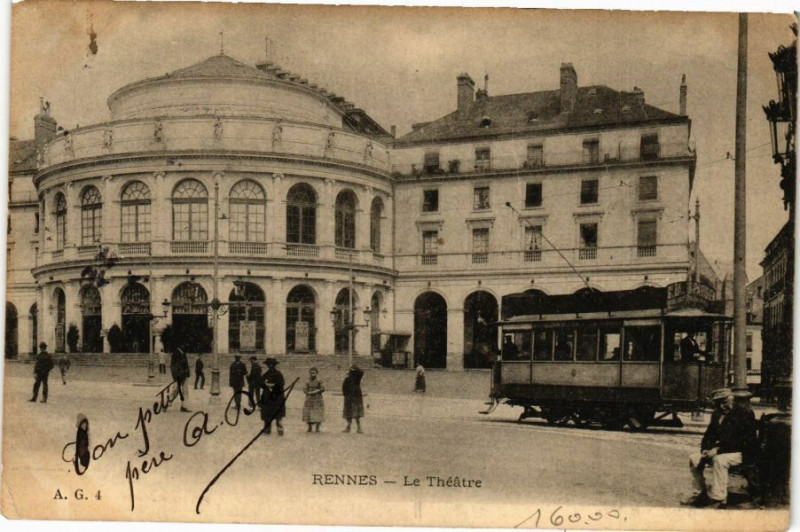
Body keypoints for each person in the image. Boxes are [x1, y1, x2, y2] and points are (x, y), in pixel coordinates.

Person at [681, 388, 758, 508]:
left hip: (743, 452)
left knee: (719, 461)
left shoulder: (745, 413)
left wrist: (717, 450)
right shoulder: (717, 414)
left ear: (732, 399)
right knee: (694, 458)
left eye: (725, 402)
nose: (722, 406)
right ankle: (699, 493)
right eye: (718, 404)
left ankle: (719, 498)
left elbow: (743, 441)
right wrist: (705, 449)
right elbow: (709, 435)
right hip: (724, 451)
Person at [260, 358, 285, 435]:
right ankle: (267, 428)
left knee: (278, 412)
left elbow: (282, 383)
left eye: (272, 364)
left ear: (274, 365)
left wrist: (273, 385)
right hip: (267, 396)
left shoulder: (278, 373)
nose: (270, 366)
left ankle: (279, 426)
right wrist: (265, 385)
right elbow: (261, 383)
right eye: (269, 365)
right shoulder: (266, 374)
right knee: (267, 412)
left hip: (277, 396)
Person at [342, 364, 364, 433]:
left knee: (356, 413)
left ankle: (359, 428)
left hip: (356, 397)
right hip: (348, 397)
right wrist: (346, 395)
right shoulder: (347, 379)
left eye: (352, 371)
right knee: (348, 413)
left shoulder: (357, 378)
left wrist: (354, 368)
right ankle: (348, 427)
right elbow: (344, 388)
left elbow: (361, 372)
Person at [302, 367, 325, 432]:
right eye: (311, 373)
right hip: (309, 398)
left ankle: (317, 427)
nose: (312, 374)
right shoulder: (307, 381)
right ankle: (309, 427)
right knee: (308, 412)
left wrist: (316, 391)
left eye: (314, 373)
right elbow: (304, 389)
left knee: (318, 412)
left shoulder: (319, 381)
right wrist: (307, 392)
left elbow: (323, 388)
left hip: (317, 398)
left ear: (316, 373)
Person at [170, 347, 191, 412]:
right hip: (178, 376)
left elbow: (186, 364)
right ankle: (168, 402)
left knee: (185, 391)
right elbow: (172, 366)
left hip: (184, 375)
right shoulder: (175, 354)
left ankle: (184, 406)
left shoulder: (184, 354)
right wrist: (175, 376)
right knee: (175, 390)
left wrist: (187, 373)